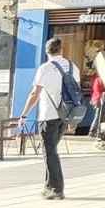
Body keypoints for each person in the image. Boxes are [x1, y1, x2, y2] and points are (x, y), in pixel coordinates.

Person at [21, 37, 76, 199]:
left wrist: (24, 114)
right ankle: (48, 186)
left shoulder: (44, 69)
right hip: (65, 116)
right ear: (61, 50)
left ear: (46, 51)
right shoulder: (73, 67)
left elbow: (34, 94)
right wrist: (73, 120)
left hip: (48, 116)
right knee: (51, 150)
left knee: (49, 152)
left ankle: (56, 189)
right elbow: (76, 94)